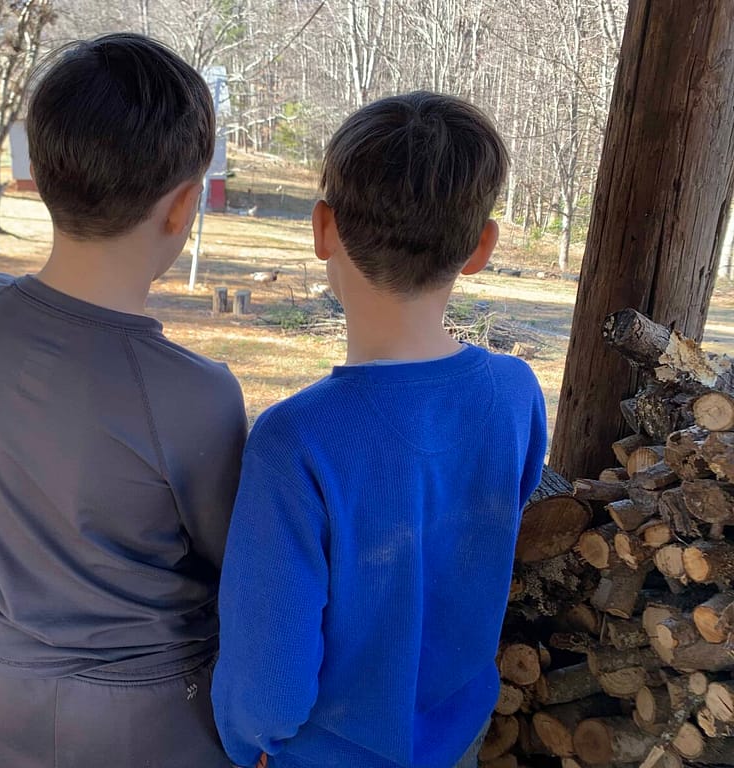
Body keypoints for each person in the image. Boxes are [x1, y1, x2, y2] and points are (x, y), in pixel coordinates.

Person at [211, 92, 548, 768]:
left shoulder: (295, 441)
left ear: (322, 228)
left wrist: (250, 744)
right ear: (482, 246)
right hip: (458, 740)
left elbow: (269, 686)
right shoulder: (515, 394)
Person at [0, 33, 246, 768]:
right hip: (155, 722)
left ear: (42, 174)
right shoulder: (196, 393)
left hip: (13, 698)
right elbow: (233, 565)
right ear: (182, 207)